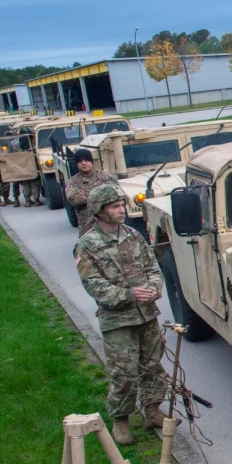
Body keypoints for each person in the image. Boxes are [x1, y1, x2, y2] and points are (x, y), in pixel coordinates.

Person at [74, 183, 168, 445]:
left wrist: (152, 289)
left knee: (152, 366)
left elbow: (153, 267)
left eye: (122, 205)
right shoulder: (87, 245)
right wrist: (130, 295)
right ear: (100, 211)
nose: (122, 210)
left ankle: (152, 411)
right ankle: (121, 421)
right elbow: (94, 285)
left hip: (147, 314)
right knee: (124, 373)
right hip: (118, 321)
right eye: (115, 207)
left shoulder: (133, 235)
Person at [66, 147, 117, 235]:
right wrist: (103, 194)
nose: (84, 163)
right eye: (80, 161)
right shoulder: (72, 182)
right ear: (76, 164)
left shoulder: (105, 177)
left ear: (92, 161)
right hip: (88, 228)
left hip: (110, 224)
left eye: (86, 160)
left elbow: (116, 194)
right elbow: (75, 200)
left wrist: (85, 195)